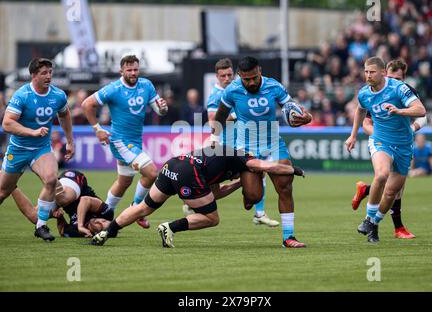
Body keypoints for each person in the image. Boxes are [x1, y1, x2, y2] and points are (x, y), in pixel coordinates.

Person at [90, 144, 306, 247]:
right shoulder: (242, 158)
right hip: (189, 173)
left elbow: (215, 193)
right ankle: (169, 227)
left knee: (144, 208)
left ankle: (106, 233)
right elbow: (264, 166)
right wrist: (292, 169)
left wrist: (238, 184)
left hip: (173, 165)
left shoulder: (222, 157)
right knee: (212, 218)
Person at [212, 56, 312, 248]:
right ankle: (248, 194)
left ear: (260, 71)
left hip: (273, 144)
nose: (251, 83)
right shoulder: (232, 90)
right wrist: (214, 139)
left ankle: (288, 237)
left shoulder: (274, 86)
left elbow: (291, 108)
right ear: (240, 75)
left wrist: (305, 116)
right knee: (254, 196)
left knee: (285, 186)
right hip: (246, 148)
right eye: (246, 79)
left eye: (254, 78)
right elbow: (221, 116)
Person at [345, 56, 426, 243]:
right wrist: (353, 135)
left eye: (372, 72)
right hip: (381, 140)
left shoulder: (399, 89)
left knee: (391, 193)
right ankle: (368, 220)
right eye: (365, 72)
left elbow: (421, 110)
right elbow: (360, 110)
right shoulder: (364, 93)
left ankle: (373, 224)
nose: (368, 75)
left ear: (383, 72)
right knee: (381, 175)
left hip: (404, 145)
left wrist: (400, 111)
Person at [82, 55, 168, 229]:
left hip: (135, 140)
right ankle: (135, 209)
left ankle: (103, 214)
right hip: (120, 141)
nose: (133, 73)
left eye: (135, 69)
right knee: (151, 173)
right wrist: (98, 129)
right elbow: (87, 104)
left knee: (124, 182)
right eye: (129, 70)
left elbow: (159, 110)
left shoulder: (146, 85)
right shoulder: (114, 89)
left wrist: (163, 108)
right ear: (121, 71)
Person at [0, 58, 74, 242]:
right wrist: (31, 132)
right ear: (33, 75)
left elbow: (64, 115)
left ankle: (41, 226)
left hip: (41, 148)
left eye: (50, 72)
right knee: (3, 192)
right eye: (44, 73)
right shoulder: (22, 95)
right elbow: (7, 123)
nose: (48, 76)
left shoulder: (58, 96)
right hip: (18, 149)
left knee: (50, 179)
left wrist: (70, 141)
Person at [201, 57, 278, 226]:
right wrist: (235, 116)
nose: (227, 79)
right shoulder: (216, 95)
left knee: (258, 170)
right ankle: (192, 202)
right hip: (224, 146)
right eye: (223, 76)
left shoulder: (239, 90)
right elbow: (213, 120)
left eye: (229, 75)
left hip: (240, 144)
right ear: (217, 77)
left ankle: (259, 212)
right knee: (215, 188)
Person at [11, 169, 113, 237]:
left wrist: (59, 217)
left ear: (96, 233)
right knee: (64, 199)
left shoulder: (80, 233)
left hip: (61, 199)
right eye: (104, 221)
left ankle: (10, 184)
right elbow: (85, 200)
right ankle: (42, 170)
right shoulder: (107, 213)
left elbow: (62, 230)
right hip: (76, 182)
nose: (100, 221)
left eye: (101, 226)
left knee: (35, 218)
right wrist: (80, 225)